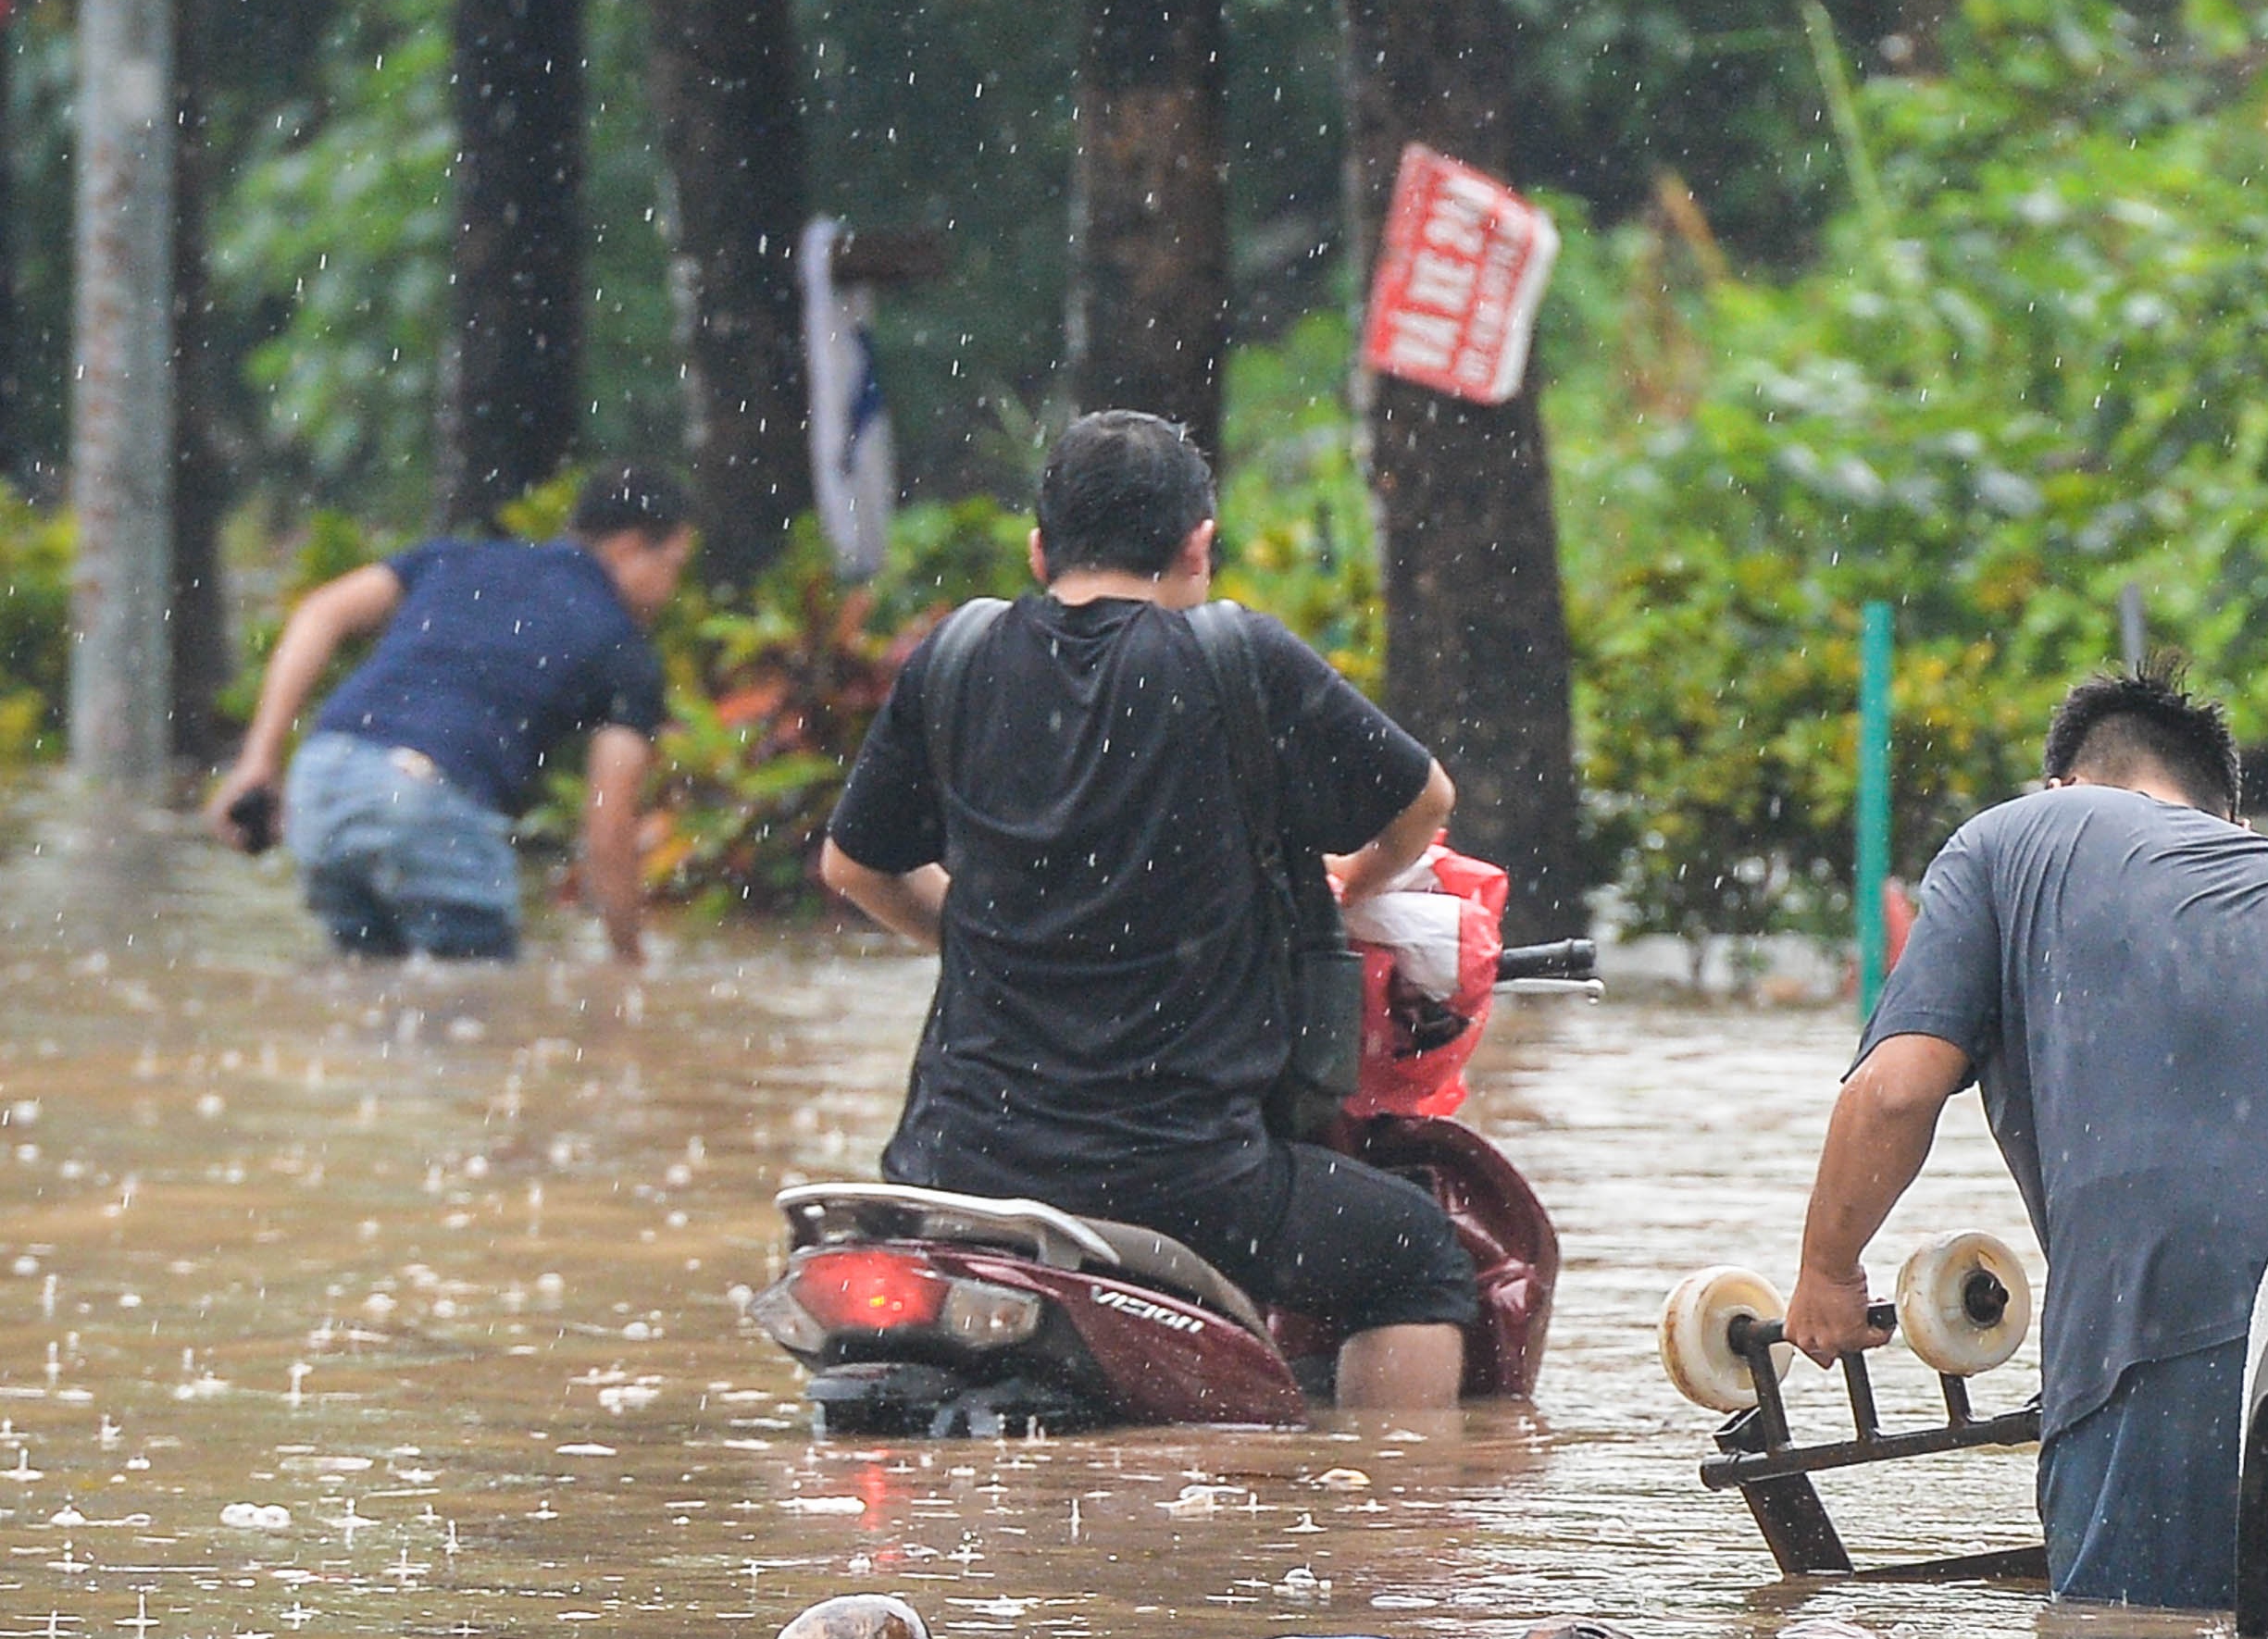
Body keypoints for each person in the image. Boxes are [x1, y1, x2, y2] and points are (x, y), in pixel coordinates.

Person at [811, 411, 1486, 1414]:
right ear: (1196, 544)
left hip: (955, 1168)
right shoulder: (1236, 658)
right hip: (1180, 1182)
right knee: (1418, 1258)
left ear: (1040, 549)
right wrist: (1350, 880)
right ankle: (1380, 1547)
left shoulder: (955, 658)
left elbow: (854, 867)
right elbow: (1423, 804)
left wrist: (997, 940)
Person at [1787, 673, 2268, 1608]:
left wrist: (1827, 1271)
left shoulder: (2011, 838)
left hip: (2161, 1321)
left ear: (2060, 785)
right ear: (2232, 824)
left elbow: (1896, 1093)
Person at [206, 466, 692, 963]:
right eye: (674, 565)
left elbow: (321, 613)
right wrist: (630, 965)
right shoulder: (622, 646)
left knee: (366, 989)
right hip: (425, 798)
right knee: (476, 1011)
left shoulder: (457, 558)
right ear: (630, 547)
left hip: (323, 780)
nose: (672, 587)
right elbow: (609, 823)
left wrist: (259, 761)